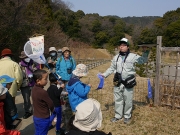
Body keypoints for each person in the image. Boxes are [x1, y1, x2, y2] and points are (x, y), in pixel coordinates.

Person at [101, 38, 150, 124]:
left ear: (127, 47)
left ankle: (127, 116)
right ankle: (118, 116)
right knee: (118, 99)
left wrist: (145, 51)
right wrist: (104, 74)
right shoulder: (116, 57)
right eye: (120, 45)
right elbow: (112, 68)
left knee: (128, 100)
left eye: (124, 45)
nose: (121, 47)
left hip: (128, 82)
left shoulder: (133, 56)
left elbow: (143, 60)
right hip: (118, 81)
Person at [31, 69, 54, 135]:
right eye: (45, 79)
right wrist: (53, 110)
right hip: (43, 118)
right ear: (38, 81)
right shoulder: (43, 92)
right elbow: (51, 103)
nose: (47, 81)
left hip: (36, 117)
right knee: (43, 133)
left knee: (38, 131)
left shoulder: (34, 89)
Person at [19, 51, 39, 119]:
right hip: (24, 84)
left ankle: (37, 110)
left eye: (27, 57)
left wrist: (34, 72)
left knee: (36, 97)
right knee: (26, 99)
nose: (26, 58)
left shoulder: (33, 62)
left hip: (33, 83)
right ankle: (28, 111)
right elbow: (18, 75)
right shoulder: (20, 65)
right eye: (24, 57)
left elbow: (38, 69)